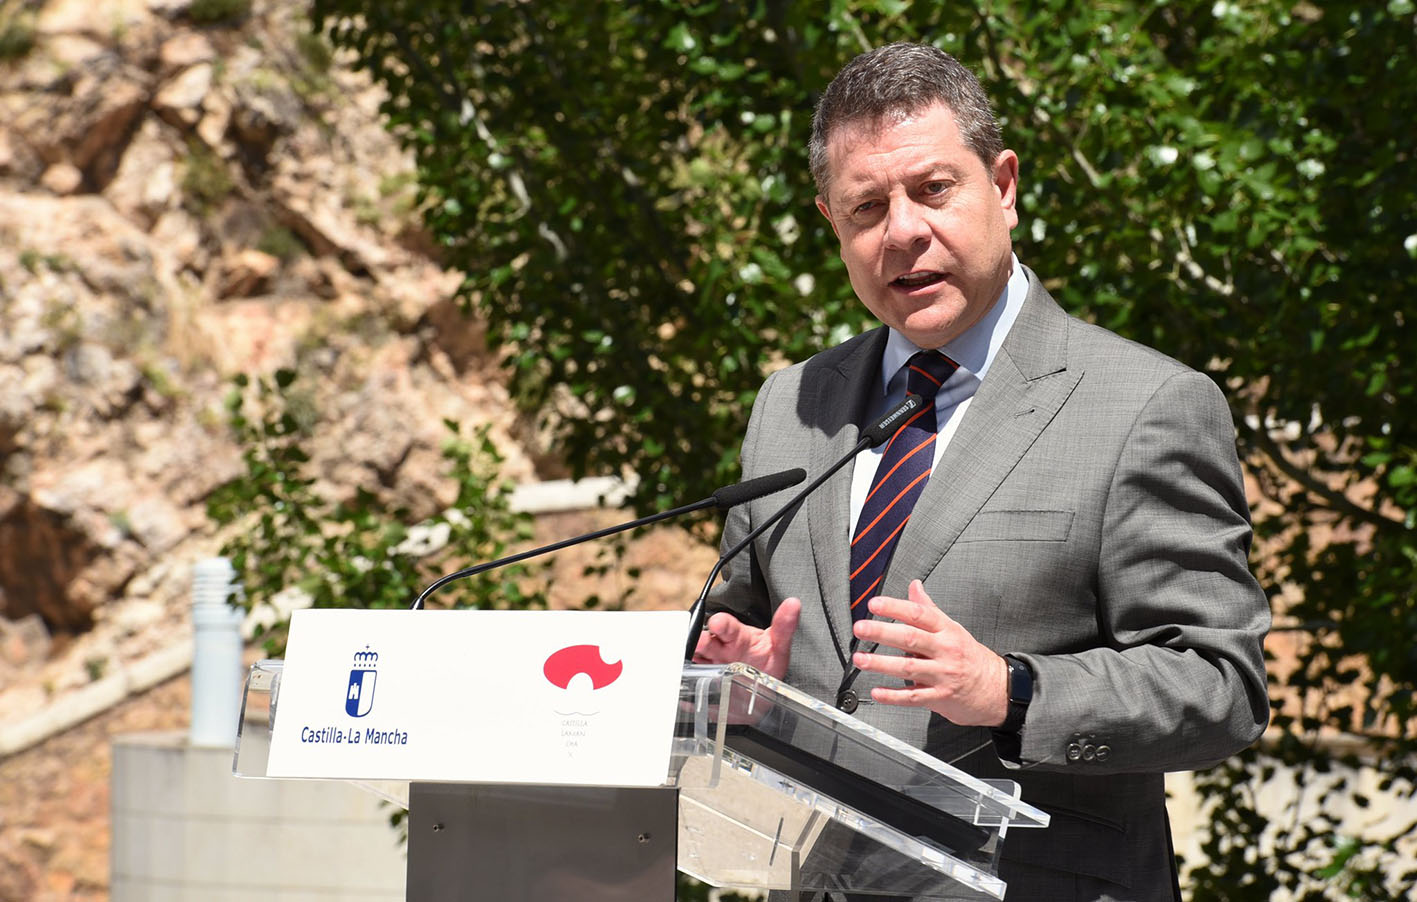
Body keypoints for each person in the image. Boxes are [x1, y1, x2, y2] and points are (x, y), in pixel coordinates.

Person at [694, 42, 1270, 902]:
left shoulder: (1144, 405)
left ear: (1001, 186)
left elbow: (1217, 685)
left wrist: (1010, 690)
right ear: (833, 227)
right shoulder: (793, 405)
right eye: (865, 208)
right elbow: (740, 626)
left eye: (933, 190)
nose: (901, 232)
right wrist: (731, 675)